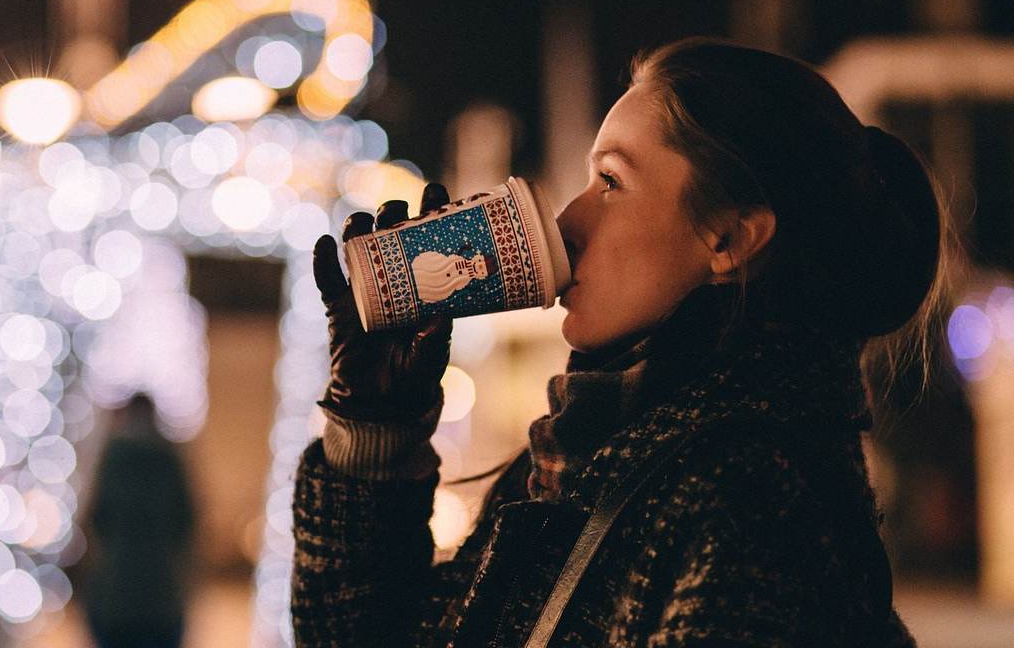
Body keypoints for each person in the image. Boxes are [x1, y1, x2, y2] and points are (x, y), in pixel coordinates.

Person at [293, 37, 947, 646]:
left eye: (610, 182)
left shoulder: (750, 503)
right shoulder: (587, 457)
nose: (566, 220)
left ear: (729, 239)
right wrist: (376, 429)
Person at [76, 393, 195, 648]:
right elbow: (185, 520)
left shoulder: (113, 459)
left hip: (116, 595)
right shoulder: (168, 459)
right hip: (160, 595)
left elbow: (97, 518)